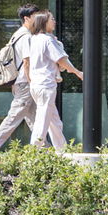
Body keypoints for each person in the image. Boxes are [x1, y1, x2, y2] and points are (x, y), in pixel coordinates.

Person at [23, 9, 83, 150]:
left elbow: (27, 63)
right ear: (44, 22)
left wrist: (30, 80)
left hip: (36, 85)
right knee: (43, 120)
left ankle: (62, 150)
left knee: (54, 121)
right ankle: (34, 151)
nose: (54, 21)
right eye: (52, 19)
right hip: (46, 85)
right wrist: (77, 72)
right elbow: (61, 60)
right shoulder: (48, 40)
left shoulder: (33, 39)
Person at [0, 3, 39, 150]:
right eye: (35, 16)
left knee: (34, 119)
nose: (39, 18)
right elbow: (26, 61)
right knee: (13, 119)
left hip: (20, 84)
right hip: (25, 84)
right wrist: (31, 82)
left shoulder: (17, 34)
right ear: (26, 18)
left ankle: (45, 150)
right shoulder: (26, 36)